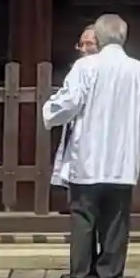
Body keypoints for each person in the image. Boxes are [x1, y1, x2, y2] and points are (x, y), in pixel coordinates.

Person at [41, 11, 140, 278]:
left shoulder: (86, 67)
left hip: (89, 156)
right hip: (122, 159)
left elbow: (70, 102)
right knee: (116, 221)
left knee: (83, 217)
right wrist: (130, 131)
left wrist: (49, 111)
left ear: (100, 37)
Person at [49, 25, 97, 199]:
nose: (83, 49)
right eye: (81, 45)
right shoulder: (79, 68)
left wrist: (49, 112)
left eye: (89, 44)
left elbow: (70, 101)